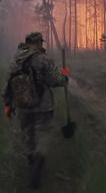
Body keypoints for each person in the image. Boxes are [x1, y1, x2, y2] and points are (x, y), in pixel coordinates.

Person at [2, 32, 69, 189]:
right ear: (38, 42)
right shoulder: (42, 59)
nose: (42, 45)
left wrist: (7, 103)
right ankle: (38, 160)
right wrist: (64, 77)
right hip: (42, 105)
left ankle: (31, 160)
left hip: (22, 106)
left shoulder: (15, 59)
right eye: (41, 42)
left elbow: (8, 83)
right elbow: (54, 80)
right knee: (44, 133)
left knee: (27, 133)